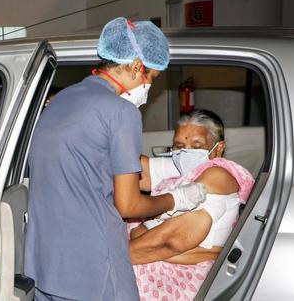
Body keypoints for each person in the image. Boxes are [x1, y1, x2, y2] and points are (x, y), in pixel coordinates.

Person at [25, 17, 208, 300]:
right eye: (152, 78)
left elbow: (90, 166)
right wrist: (177, 199)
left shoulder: (61, 100)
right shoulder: (121, 112)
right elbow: (128, 205)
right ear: (137, 67)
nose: (150, 87)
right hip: (92, 270)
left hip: (45, 268)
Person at [130, 109, 255, 300]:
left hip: (179, 274)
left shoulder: (218, 175)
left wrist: (113, 254)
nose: (186, 153)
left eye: (196, 146)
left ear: (218, 148)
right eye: (179, 145)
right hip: (161, 257)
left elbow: (170, 240)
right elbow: (138, 170)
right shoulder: (184, 167)